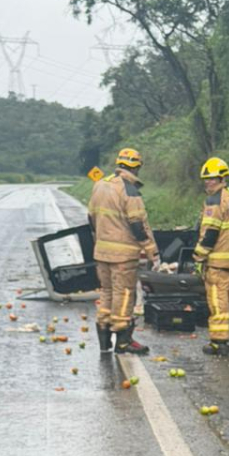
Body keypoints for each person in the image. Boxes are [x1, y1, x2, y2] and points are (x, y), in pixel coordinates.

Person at [88, 147, 158, 355]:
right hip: (124, 255)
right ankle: (123, 340)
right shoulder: (130, 190)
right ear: (136, 168)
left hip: (102, 252)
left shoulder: (100, 185)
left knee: (107, 293)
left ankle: (103, 337)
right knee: (125, 294)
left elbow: (91, 218)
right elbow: (138, 225)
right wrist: (151, 251)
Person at [192, 157, 229, 356]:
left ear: (222, 178)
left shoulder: (215, 201)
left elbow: (210, 233)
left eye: (211, 178)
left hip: (220, 262)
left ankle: (219, 342)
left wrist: (198, 256)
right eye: (205, 179)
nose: (207, 182)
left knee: (218, 301)